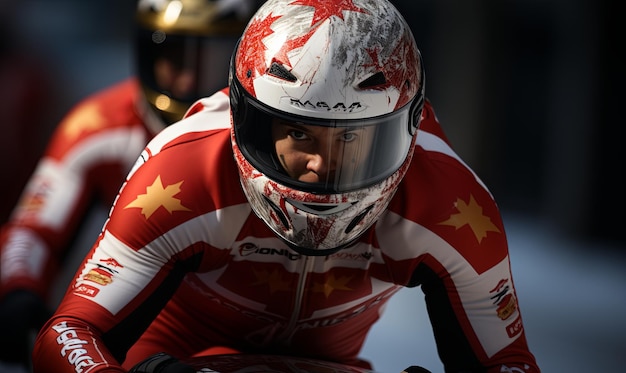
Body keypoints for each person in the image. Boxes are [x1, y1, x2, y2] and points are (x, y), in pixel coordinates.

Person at [32, 0, 541, 372]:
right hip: (174, 362)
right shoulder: (182, 173)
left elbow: (508, 363)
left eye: (355, 139)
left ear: (409, 127)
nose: (321, 167)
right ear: (242, 118)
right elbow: (69, 333)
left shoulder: (451, 200)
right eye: (297, 132)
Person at [0, 0, 261, 371]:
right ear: (145, 51)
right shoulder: (96, 126)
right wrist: (19, 291)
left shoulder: (275, 142)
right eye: (173, 57)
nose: (188, 81)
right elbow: (36, 229)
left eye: (212, 61)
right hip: (127, 335)